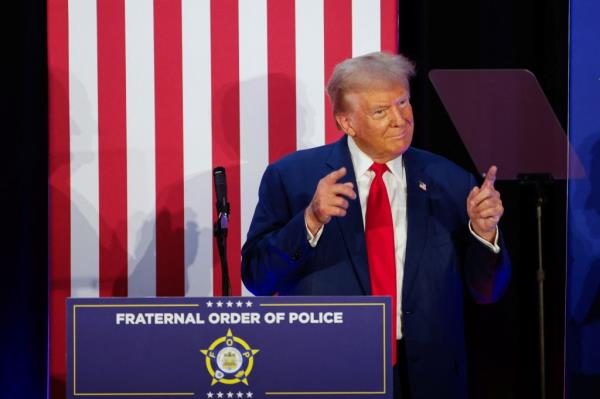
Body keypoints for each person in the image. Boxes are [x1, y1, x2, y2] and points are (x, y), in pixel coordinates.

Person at [241, 52, 511, 399]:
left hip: (429, 378)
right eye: (381, 111)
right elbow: (258, 279)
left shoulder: (451, 181)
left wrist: (484, 234)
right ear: (346, 123)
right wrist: (310, 220)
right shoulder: (292, 178)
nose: (400, 120)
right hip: (329, 375)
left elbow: (487, 291)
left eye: (403, 103)